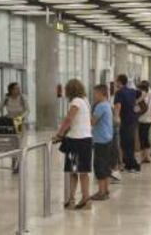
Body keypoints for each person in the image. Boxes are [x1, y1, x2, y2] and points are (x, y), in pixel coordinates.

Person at [55, 79, 93, 210]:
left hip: (76, 141)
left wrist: (59, 134)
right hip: (85, 140)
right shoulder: (85, 101)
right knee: (83, 171)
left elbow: (69, 119)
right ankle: (85, 199)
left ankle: (73, 199)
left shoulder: (76, 102)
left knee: (74, 171)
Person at [0, 82, 29, 173]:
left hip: (19, 122)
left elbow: (28, 110)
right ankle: (14, 162)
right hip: (10, 122)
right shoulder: (7, 98)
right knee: (12, 144)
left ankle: (18, 164)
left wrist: (22, 117)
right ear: (11, 90)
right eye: (16, 88)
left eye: (19, 88)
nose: (18, 90)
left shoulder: (23, 98)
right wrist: (0, 118)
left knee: (19, 144)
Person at [90, 85, 113, 201]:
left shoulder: (100, 106)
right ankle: (106, 189)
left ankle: (101, 192)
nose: (94, 96)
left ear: (101, 93)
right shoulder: (107, 104)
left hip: (101, 140)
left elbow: (93, 122)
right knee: (106, 165)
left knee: (99, 166)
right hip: (107, 138)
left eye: (95, 94)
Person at [114, 75, 140, 172]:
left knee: (125, 143)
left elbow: (118, 106)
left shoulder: (119, 93)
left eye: (116, 81)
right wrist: (135, 103)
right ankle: (129, 164)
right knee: (130, 142)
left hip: (124, 120)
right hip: (132, 120)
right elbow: (143, 93)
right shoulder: (132, 91)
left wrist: (116, 117)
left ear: (120, 82)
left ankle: (131, 164)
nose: (115, 83)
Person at [137, 81, 151, 163]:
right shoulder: (149, 96)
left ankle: (143, 156)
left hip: (143, 120)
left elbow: (142, 109)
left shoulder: (143, 98)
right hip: (148, 119)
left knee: (142, 138)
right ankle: (147, 156)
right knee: (145, 138)